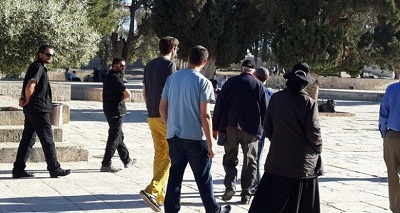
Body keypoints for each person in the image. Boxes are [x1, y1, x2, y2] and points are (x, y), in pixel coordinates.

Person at [159, 45, 231, 213]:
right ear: (204, 62)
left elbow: (162, 107)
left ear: (189, 58)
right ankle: (213, 210)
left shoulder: (172, 79)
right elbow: (205, 115)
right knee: (203, 178)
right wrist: (211, 144)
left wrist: (169, 124)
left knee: (175, 177)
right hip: (195, 139)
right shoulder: (203, 82)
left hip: (174, 135)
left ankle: (171, 209)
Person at [249, 62, 323, 213]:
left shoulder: (276, 99)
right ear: (304, 83)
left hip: (278, 160)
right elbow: (314, 133)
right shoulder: (309, 103)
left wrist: (279, 141)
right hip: (302, 164)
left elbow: (267, 126)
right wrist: (317, 149)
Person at [212, 60, 267, 204]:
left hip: (231, 127)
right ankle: (246, 193)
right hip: (251, 130)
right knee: (250, 161)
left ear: (241, 68)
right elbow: (264, 111)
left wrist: (215, 127)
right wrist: (265, 130)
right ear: (253, 71)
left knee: (230, 158)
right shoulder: (259, 85)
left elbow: (220, 105)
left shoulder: (230, 83)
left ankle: (230, 185)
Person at [12, 44, 71, 178]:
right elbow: (30, 85)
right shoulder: (38, 67)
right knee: (48, 140)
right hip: (38, 109)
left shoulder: (37, 67)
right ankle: (54, 168)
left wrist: (26, 100)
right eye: (48, 54)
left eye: (52, 55)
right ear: (40, 54)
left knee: (28, 139)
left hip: (32, 109)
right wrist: (27, 99)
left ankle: (18, 169)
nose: (50, 57)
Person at [140, 36, 179, 212]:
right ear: (172, 49)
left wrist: (151, 108)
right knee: (173, 155)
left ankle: (160, 194)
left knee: (160, 154)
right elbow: (172, 91)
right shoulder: (170, 65)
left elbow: (145, 92)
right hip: (166, 116)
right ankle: (153, 189)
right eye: (176, 49)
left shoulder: (149, 65)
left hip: (152, 116)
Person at [100, 58, 136, 173]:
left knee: (119, 135)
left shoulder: (109, 76)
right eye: (121, 65)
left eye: (124, 66)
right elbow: (127, 93)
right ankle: (106, 164)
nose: (123, 68)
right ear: (114, 65)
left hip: (110, 109)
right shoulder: (114, 77)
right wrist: (121, 98)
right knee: (114, 137)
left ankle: (126, 160)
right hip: (115, 110)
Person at [379, 81, 400, 212]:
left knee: (392, 175)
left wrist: (384, 133)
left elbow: (383, 112)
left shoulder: (392, 89)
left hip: (392, 136)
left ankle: (395, 208)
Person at [253, 67, 273, 191]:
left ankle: (256, 184)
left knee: (253, 158)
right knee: (257, 157)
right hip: (264, 128)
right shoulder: (271, 94)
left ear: (255, 76)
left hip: (253, 128)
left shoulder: (252, 91)